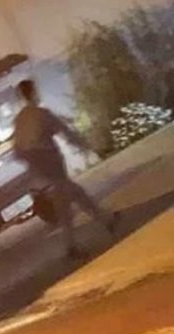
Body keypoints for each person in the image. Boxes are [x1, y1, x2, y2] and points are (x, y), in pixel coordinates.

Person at [13, 79, 118, 260]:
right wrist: (85, 146)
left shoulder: (20, 120)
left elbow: (17, 150)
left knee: (70, 197)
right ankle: (85, 235)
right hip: (50, 163)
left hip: (38, 169)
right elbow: (65, 132)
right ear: (33, 92)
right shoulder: (41, 114)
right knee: (68, 198)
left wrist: (32, 161)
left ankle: (104, 220)